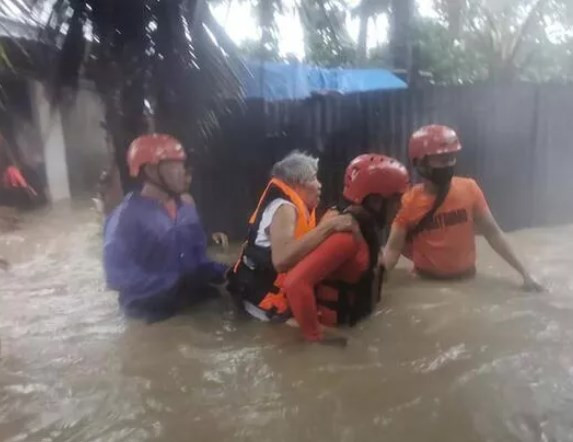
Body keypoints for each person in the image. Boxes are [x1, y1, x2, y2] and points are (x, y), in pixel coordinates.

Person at [383, 124, 542, 291]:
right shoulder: (408, 202)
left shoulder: (470, 189)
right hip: (426, 285)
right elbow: (393, 250)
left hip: (468, 281)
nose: (449, 164)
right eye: (443, 159)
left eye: (452, 157)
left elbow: (493, 233)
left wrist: (525, 273)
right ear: (420, 162)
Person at [282, 154, 409, 342]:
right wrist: (317, 336)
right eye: (396, 199)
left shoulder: (364, 226)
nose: (401, 205)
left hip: (357, 325)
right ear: (375, 201)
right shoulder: (346, 237)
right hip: (337, 331)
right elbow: (295, 284)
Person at [103, 133, 228, 322]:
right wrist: (172, 282)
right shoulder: (124, 218)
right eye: (174, 166)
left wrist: (226, 271)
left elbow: (198, 260)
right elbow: (117, 276)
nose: (182, 172)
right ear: (152, 170)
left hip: (189, 300)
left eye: (182, 165)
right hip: (150, 312)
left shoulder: (186, 209)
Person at [227, 151, 357, 321]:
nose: (319, 185)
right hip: (260, 307)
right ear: (297, 183)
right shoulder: (284, 208)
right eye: (313, 178)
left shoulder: (295, 207)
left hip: (264, 301)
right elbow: (281, 261)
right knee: (336, 341)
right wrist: (328, 227)